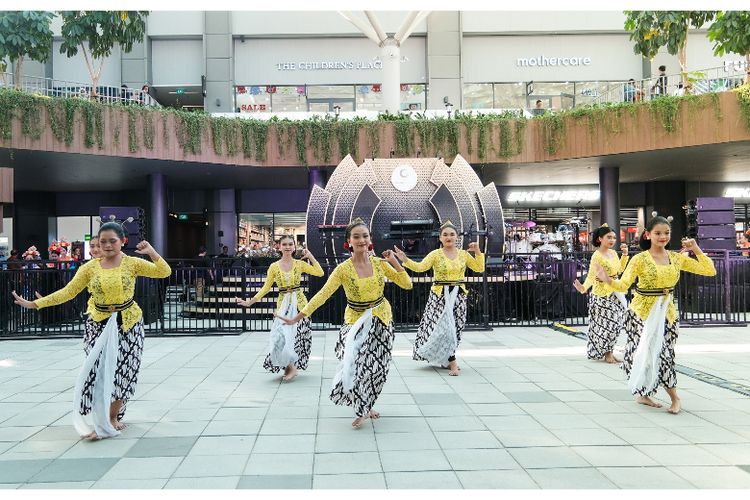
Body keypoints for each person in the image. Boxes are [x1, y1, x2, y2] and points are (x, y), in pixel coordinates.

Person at [12, 222, 171, 440]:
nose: (107, 245)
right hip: (98, 323)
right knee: (98, 372)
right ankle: (101, 419)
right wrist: (35, 304)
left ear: (123, 241)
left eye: (112, 241)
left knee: (124, 371)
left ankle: (111, 418)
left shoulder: (132, 263)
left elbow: (164, 272)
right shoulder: (89, 268)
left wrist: (151, 251)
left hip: (129, 322)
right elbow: (68, 292)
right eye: (102, 241)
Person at [279, 218, 412, 429]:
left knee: (377, 367)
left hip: (381, 319)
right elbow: (322, 294)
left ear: (370, 240)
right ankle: (361, 407)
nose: (361, 240)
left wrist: (394, 261)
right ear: (348, 241)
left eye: (365, 236)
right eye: (356, 236)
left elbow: (407, 284)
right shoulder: (343, 269)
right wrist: (298, 316)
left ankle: (366, 405)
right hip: (354, 321)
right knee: (352, 363)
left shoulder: (379, 264)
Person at [594, 213, 716, 414]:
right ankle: (643, 394)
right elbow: (624, 284)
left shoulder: (676, 258)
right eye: (658, 233)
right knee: (640, 355)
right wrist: (607, 280)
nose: (663, 237)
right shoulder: (639, 259)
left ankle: (674, 397)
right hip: (640, 314)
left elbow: (709, 270)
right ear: (648, 235)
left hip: (667, 313)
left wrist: (696, 249)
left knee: (665, 354)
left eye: (666, 233)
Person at [393, 220, 485, 376]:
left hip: (458, 295)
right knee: (443, 328)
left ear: (457, 237)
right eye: (445, 235)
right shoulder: (435, 254)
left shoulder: (463, 255)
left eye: (452, 234)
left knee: (455, 328)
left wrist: (477, 252)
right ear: (440, 238)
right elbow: (421, 267)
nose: (448, 237)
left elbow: (479, 268)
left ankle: (448, 358)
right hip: (440, 296)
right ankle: (453, 363)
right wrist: (405, 260)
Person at [236, 236, 324, 381]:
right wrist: (250, 302)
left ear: (294, 247)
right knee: (280, 337)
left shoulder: (299, 264)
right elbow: (266, 287)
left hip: (300, 303)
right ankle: (290, 367)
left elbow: (319, 272)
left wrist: (310, 257)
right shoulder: (274, 267)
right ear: (279, 247)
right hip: (283, 303)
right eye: (285, 244)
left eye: (290, 244)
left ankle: (292, 367)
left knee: (298, 337)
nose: (288, 247)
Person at [573, 224, 629, 363]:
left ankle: (609, 350)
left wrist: (625, 255)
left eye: (614, 237)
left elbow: (619, 270)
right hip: (601, 295)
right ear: (600, 239)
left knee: (617, 323)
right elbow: (592, 276)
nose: (612, 240)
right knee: (607, 325)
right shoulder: (596, 256)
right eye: (609, 237)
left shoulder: (614, 253)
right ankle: (607, 353)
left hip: (615, 292)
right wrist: (583, 288)